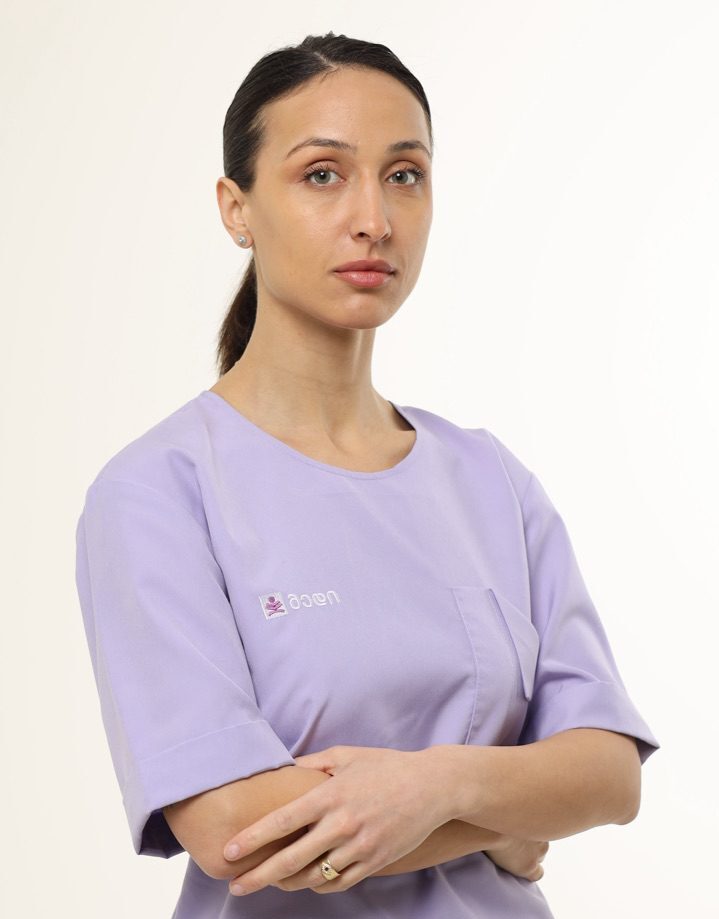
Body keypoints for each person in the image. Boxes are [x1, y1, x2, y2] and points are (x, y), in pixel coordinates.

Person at [74, 31, 661, 919]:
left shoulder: (489, 480)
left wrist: (442, 784)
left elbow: (609, 773)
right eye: (322, 174)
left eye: (404, 175)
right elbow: (234, 825)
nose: (373, 219)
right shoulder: (156, 494)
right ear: (236, 209)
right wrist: (501, 821)